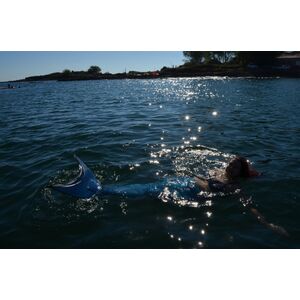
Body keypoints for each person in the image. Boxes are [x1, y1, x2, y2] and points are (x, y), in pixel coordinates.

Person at [194, 156, 288, 237]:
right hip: (195, 186)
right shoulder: (217, 171)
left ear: (240, 173)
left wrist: (267, 224)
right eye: (230, 164)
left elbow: (248, 205)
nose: (230, 167)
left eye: (235, 167)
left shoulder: (234, 186)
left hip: (198, 196)